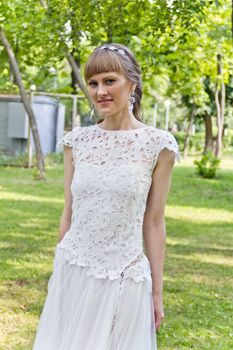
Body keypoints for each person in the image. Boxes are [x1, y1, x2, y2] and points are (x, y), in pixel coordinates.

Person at [32, 43, 180, 350]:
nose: (100, 91)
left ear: (132, 84)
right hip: (74, 270)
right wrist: (59, 271)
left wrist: (156, 293)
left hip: (124, 275)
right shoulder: (77, 141)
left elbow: (153, 221)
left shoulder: (158, 145)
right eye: (94, 83)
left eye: (110, 80)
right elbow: (69, 214)